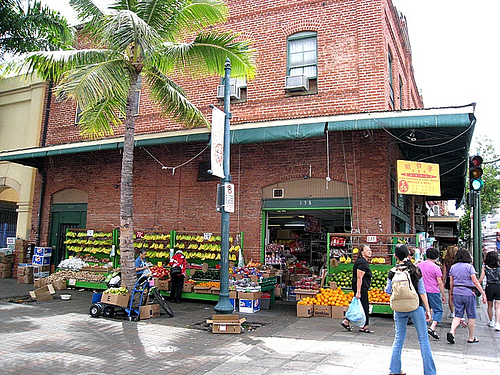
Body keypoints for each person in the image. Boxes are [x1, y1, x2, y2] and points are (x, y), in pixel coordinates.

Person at [386, 244, 436, 375]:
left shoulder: (392, 272)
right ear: (408, 254)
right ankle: (430, 372)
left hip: (399, 308)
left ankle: (394, 370)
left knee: (398, 339)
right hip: (415, 306)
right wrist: (428, 310)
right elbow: (422, 291)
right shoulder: (415, 270)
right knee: (423, 340)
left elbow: (387, 291)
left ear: (395, 256)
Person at [446, 249, 487, 344]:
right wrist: (483, 293)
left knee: (457, 315)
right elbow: (475, 281)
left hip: (457, 292)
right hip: (468, 292)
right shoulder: (470, 267)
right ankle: (471, 337)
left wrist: (452, 293)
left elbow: (451, 282)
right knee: (471, 316)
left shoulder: (453, 267)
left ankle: (452, 331)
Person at [341, 244, 373, 333]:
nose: (369, 251)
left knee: (360, 306)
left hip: (361, 287)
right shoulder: (362, 263)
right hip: (361, 287)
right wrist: (358, 291)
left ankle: (346, 321)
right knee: (364, 306)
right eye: (367, 250)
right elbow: (359, 277)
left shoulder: (363, 261)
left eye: (370, 250)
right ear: (362, 252)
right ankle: (364, 326)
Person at [417, 247, 446, 340]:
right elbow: (440, 282)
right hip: (433, 291)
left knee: (425, 309)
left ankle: (423, 329)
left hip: (422, 291)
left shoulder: (420, 265)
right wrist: (443, 294)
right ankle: (432, 327)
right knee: (438, 309)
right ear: (437, 257)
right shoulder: (436, 267)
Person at [478, 251, 500, 330]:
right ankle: (497, 323)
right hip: (498, 287)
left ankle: (491, 321)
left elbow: (481, 279)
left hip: (489, 287)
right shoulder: (499, 268)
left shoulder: (485, 268)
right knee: (498, 306)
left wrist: (476, 285)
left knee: (489, 306)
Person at [443, 245, 458, 318]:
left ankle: (452, 312)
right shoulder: (457, 260)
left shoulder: (446, 260)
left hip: (449, 278)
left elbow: (445, 272)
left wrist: (443, 280)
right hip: (457, 278)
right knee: (457, 295)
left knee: (450, 296)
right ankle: (458, 310)